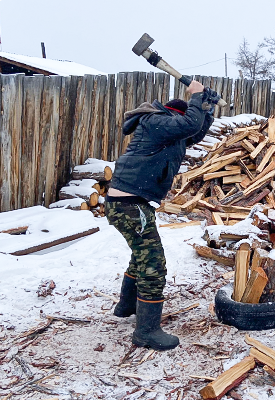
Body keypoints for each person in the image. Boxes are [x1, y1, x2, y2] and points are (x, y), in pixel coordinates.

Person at [105, 80, 217, 351]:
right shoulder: (155, 122)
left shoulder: (168, 129)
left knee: (141, 255)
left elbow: (194, 132)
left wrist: (207, 108)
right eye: (187, 117)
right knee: (153, 264)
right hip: (129, 205)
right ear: (175, 116)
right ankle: (146, 331)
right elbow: (189, 125)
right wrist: (196, 96)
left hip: (132, 203)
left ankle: (126, 306)